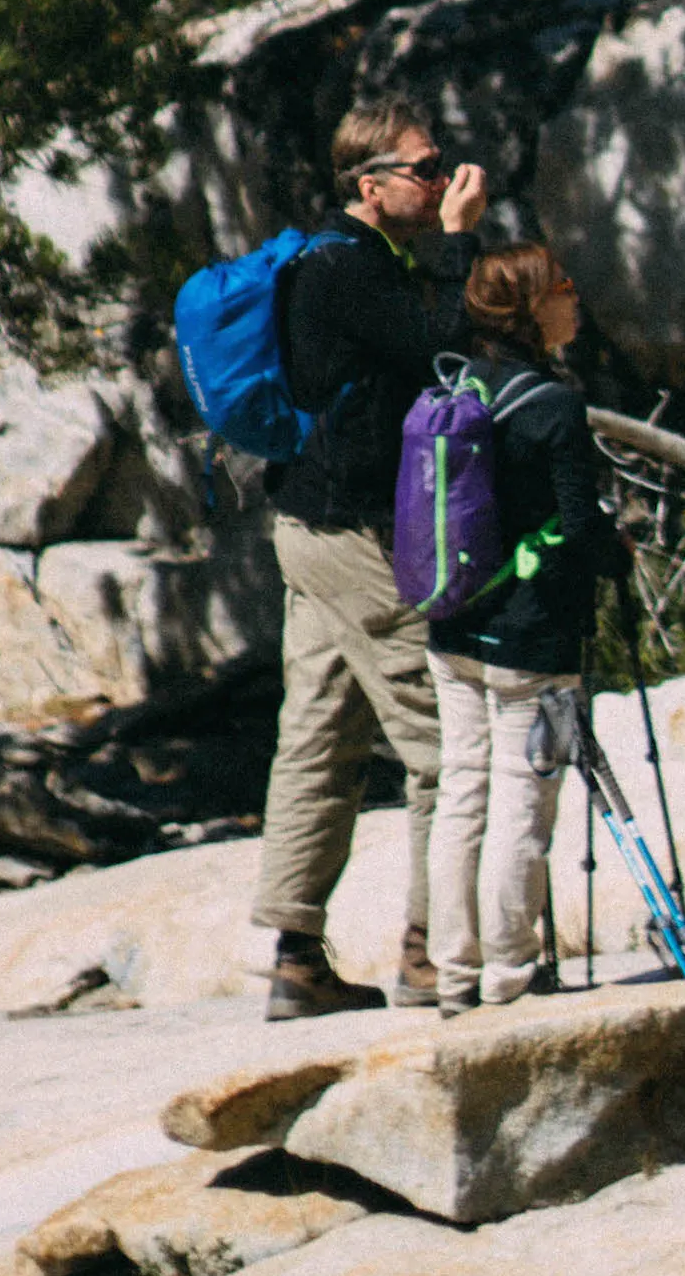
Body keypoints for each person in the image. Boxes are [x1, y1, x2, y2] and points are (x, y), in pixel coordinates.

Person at [249, 97, 484, 1021]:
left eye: (439, 164)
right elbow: (445, 347)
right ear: (370, 184)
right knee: (439, 741)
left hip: (307, 527)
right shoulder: (347, 269)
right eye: (425, 168)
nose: (440, 179)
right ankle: (433, 955)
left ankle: (296, 959)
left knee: (320, 736)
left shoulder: (349, 261)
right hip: (349, 536)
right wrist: (460, 243)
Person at [421, 238, 630, 1012]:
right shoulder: (553, 404)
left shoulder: (455, 384)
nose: (576, 297)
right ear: (532, 306)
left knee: (461, 795)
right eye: (564, 286)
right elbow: (578, 527)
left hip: (452, 627)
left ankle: (453, 975)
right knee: (521, 801)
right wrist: (615, 552)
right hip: (530, 642)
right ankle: (509, 976)